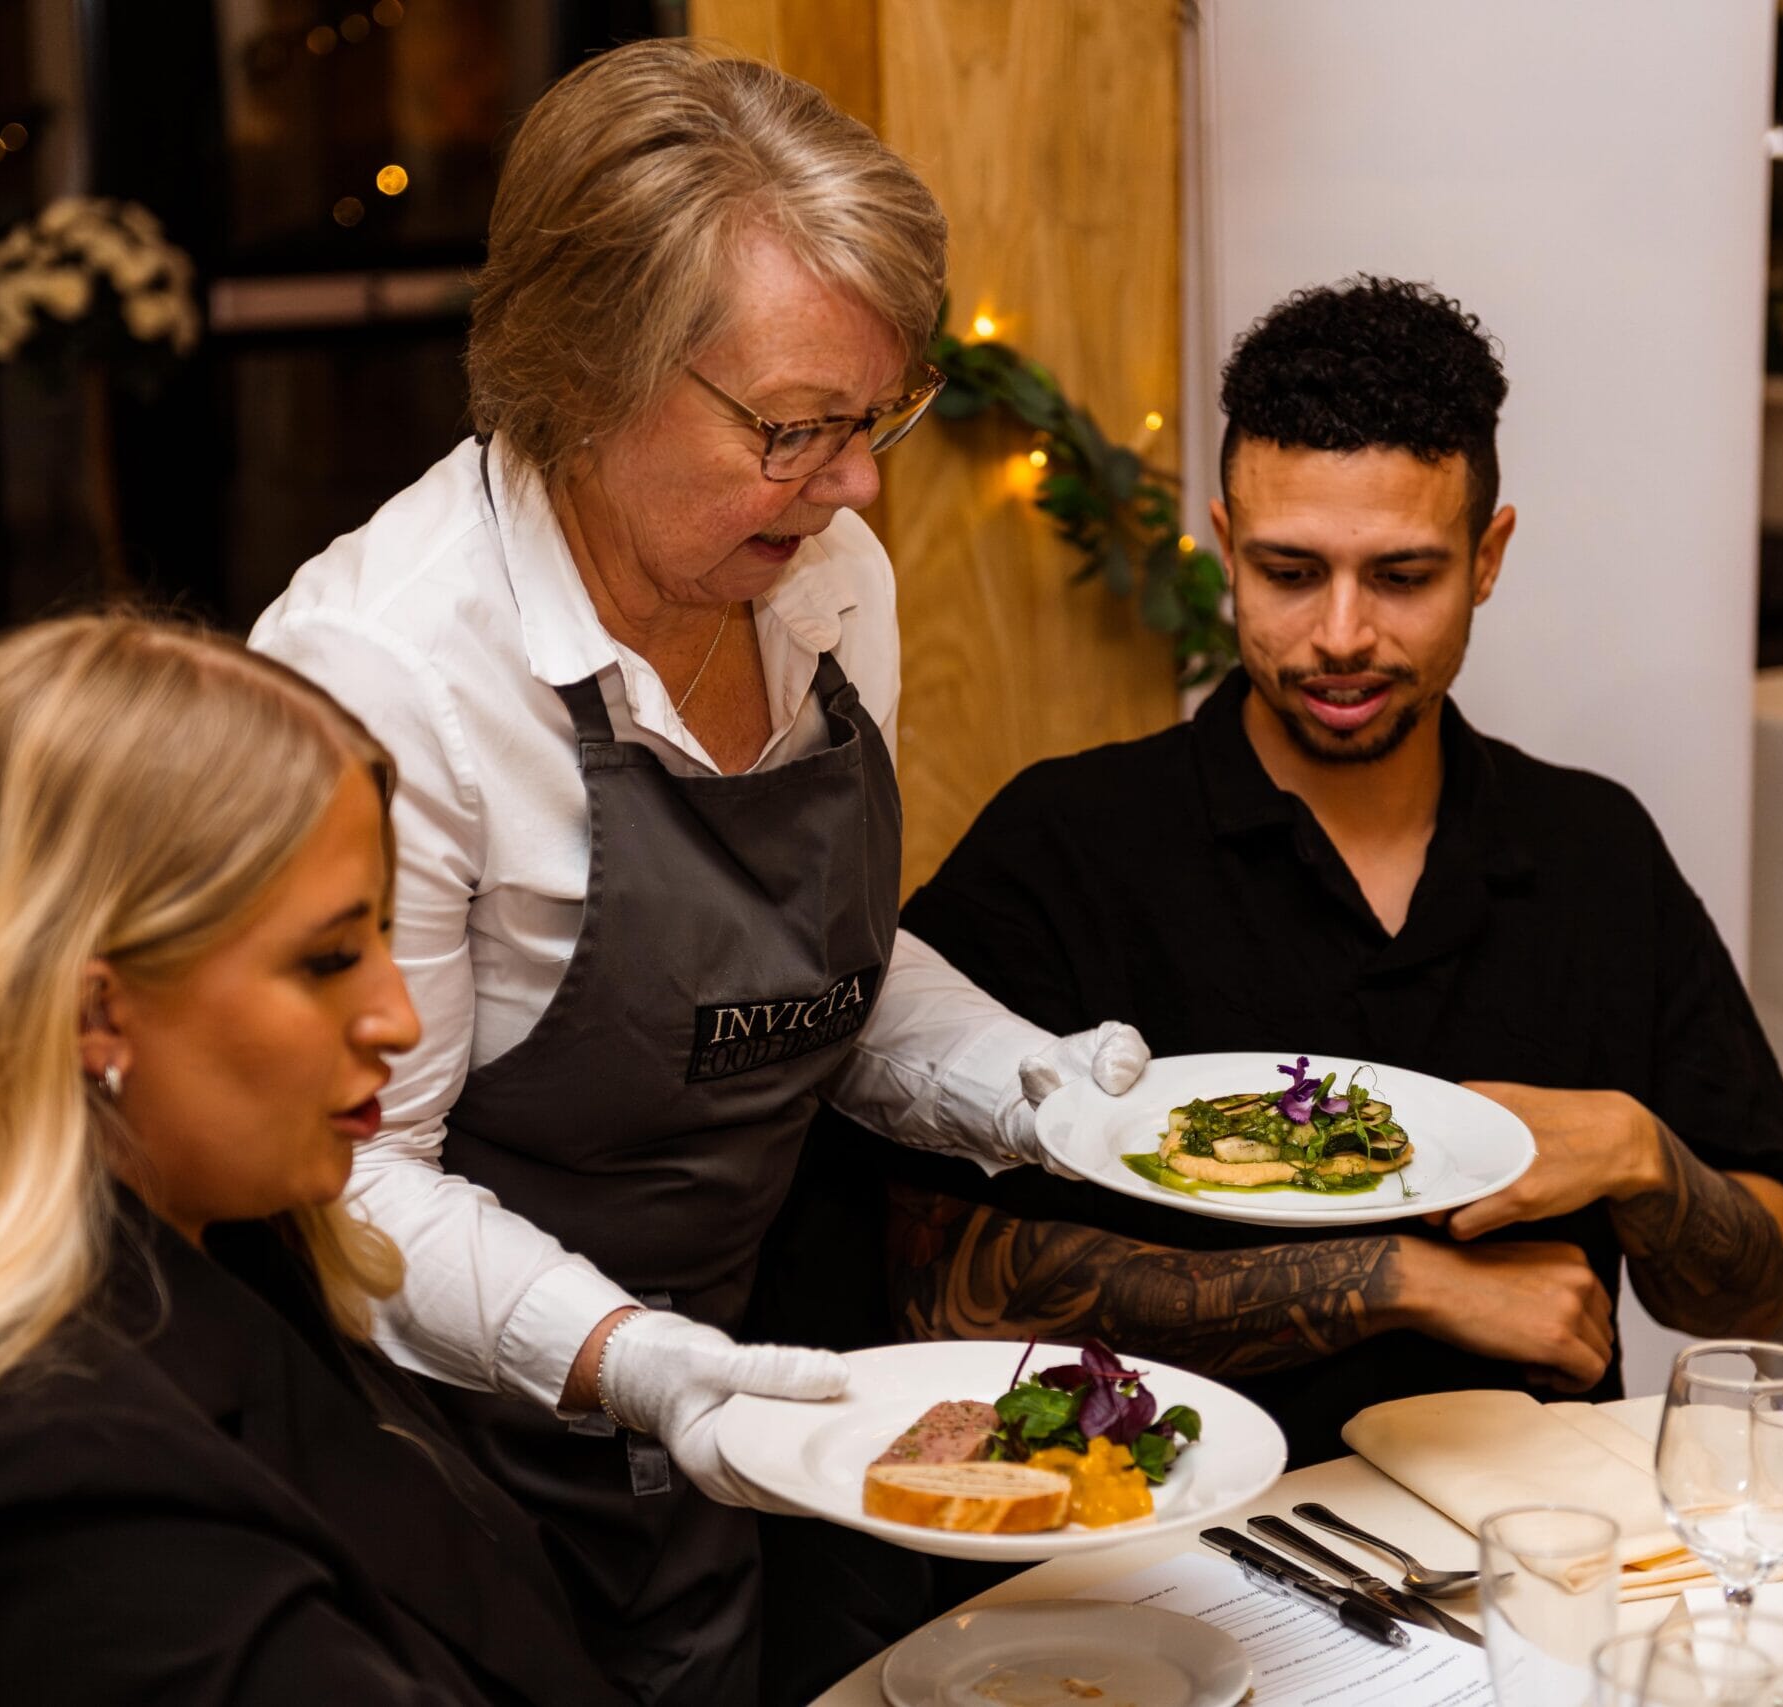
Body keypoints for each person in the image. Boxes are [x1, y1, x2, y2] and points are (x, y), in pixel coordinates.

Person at [248, 39, 1145, 1706]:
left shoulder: (821, 573)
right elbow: (351, 1177)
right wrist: (635, 1362)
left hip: (717, 1443)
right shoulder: (392, 676)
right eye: (800, 428)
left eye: (879, 419)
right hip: (419, 1476)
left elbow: (813, 961)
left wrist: (1036, 1091)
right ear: (584, 374)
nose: (860, 487)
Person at [877, 278, 1783, 1468]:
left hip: (1536, 1550)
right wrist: (1392, 1279)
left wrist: (1646, 1156)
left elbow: (1741, 1306)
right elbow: (923, 1282)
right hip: (1175, 1564)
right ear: (1225, 546)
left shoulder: (1593, 848)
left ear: (1487, 558)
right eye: (1287, 572)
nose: (1338, 634)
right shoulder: (1068, 840)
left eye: (1400, 576)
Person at [0, 616, 624, 1707]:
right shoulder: (47, 1480)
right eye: (330, 958)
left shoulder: (227, 1242)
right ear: (97, 1011)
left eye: (387, 936)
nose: (395, 1015)